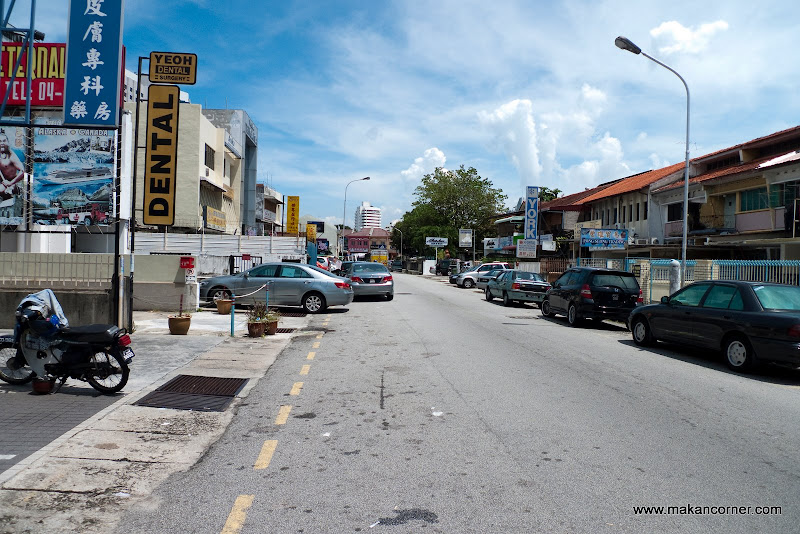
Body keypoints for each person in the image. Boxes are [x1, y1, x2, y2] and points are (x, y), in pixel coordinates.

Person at [0, 130, 24, 201]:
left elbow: (23, 171)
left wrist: (10, 183)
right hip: (2, 182)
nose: (2, 143)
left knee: (1, 190)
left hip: (12, 183)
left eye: (4, 141)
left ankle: (12, 195)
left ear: (8, 142)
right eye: (0, 141)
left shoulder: (11, 156)